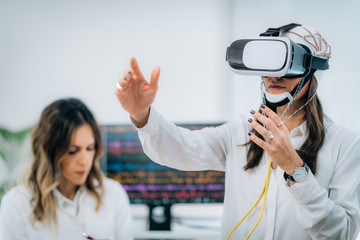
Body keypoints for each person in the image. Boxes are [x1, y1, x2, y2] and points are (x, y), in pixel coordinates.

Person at [114, 24, 360, 239]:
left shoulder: (345, 144)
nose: (273, 75)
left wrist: (297, 171)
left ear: (309, 70)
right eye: (267, 63)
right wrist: (141, 114)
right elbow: (180, 148)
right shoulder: (241, 132)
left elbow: (342, 234)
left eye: (285, 64)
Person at [0, 98, 134, 240]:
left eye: (90, 148)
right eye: (72, 151)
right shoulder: (17, 204)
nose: (84, 161)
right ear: (50, 152)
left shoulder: (114, 195)